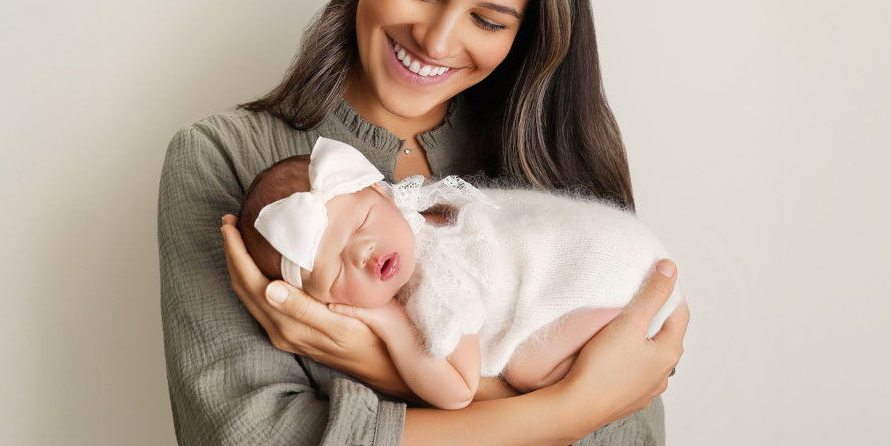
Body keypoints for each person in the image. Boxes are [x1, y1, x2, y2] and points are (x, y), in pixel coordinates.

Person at [158, 0, 688, 446]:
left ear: (527, 26)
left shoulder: (538, 167)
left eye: (489, 19)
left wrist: (379, 369)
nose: (438, 41)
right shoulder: (226, 164)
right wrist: (561, 407)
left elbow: (632, 443)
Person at [236, 137, 685, 410]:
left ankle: (629, 328)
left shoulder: (435, 278)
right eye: (335, 269)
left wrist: (391, 326)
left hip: (617, 270)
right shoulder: (427, 214)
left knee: (527, 371)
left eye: (362, 223)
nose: (364, 252)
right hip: (626, 252)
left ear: (385, 193)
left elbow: (458, 390)